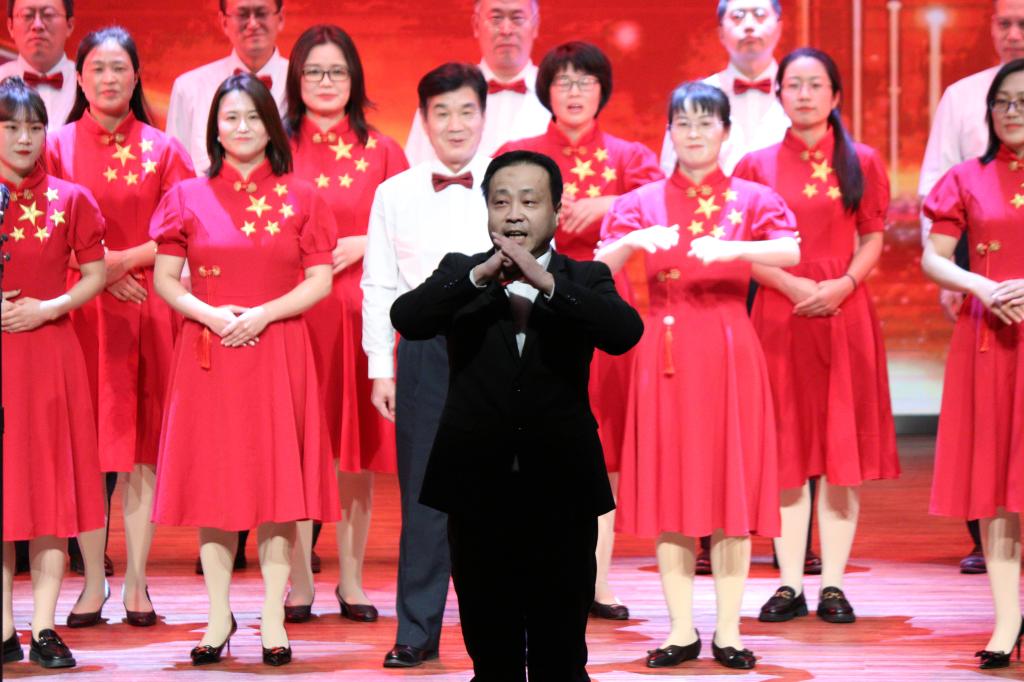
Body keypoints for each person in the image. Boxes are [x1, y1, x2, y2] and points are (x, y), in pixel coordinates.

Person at [392, 149, 643, 681]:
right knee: (493, 656)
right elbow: (408, 318)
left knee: (561, 657)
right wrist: (481, 275)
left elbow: (623, 332)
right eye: (501, 202)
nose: (514, 215)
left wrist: (547, 283)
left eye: (530, 202)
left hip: (562, 488)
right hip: (477, 488)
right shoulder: (460, 272)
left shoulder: (585, 276)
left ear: (556, 211)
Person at [599, 81, 798, 671]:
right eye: (682, 123)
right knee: (673, 491)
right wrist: (634, 240)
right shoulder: (644, 200)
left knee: (730, 491)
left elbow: (791, 250)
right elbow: (598, 263)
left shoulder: (751, 196)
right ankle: (682, 630)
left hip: (731, 351)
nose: (693, 133)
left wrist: (734, 251)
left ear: (725, 132)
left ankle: (729, 631)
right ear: (669, 133)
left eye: (705, 122)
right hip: (665, 355)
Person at [149, 73, 339, 667]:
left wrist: (262, 314)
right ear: (215, 129)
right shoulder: (187, 195)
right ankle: (217, 617)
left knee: (277, 489)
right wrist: (211, 315)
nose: (241, 127)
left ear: (271, 126)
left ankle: (274, 619)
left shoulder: (303, 196)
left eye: (253, 117)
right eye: (230, 117)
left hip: (278, 351)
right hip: (209, 354)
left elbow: (320, 280)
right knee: (215, 487)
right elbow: (164, 279)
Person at [495, 40, 662, 620]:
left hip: (600, 309)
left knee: (601, 447)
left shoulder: (628, 156)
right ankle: (524, 573)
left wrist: (608, 203)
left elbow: (661, 202)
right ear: (546, 89)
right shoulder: (519, 153)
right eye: (563, 81)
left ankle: (596, 580)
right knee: (525, 438)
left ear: (602, 91)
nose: (573, 91)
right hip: (527, 308)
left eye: (585, 81)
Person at [733, 47, 899, 626]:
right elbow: (741, 249)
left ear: (835, 95)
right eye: (793, 85)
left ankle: (832, 585)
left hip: (843, 312)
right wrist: (788, 284)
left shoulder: (863, 160)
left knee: (837, 453)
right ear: (779, 94)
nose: (803, 95)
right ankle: (787, 583)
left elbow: (873, 237)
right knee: (786, 448)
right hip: (779, 316)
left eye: (815, 85)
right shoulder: (755, 165)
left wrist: (844, 284)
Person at [46, 26, 195, 630]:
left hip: (148, 311)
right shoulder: (54, 146)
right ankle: (91, 580)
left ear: (136, 77)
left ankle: (136, 579)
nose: (108, 79)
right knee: (85, 450)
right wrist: (98, 275)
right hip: (78, 315)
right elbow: (38, 230)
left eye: (119, 68)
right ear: (80, 79)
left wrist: (117, 264)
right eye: (97, 69)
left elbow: (186, 227)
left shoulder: (165, 149)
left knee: (140, 453)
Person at [361, 62, 493, 668]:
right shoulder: (394, 193)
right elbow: (379, 283)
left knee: (501, 497)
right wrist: (379, 367)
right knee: (423, 497)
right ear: (422, 120)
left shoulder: (510, 182)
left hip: (497, 347)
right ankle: (416, 630)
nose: (455, 124)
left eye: (466, 111)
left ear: (483, 116)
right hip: (423, 351)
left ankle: (502, 626)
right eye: (442, 112)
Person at [281, 23, 408, 625]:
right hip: (293, 317)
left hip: (363, 318)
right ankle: (300, 580)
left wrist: (360, 243)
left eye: (336, 71)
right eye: (313, 72)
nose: (325, 82)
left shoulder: (382, 150)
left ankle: (352, 579)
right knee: (296, 446)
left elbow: (412, 231)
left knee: (354, 455)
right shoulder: (276, 144)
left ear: (354, 77)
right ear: (296, 80)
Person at [921, 58, 1024, 670]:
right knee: (998, 488)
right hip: (990, 337)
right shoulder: (966, 176)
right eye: (1003, 102)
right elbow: (934, 258)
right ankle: (1006, 622)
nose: (1013, 112)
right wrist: (982, 286)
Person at [1, 75, 106, 669]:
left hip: (48, 358)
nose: (24, 138)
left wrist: (49, 307)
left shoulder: (71, 199)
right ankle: (2, 629)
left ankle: (43, 627)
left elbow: (95, 273)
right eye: (11, 127)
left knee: (49, 495)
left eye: (35, 127)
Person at [403, 0, 549, 165]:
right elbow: (415, 168)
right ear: (476, 25)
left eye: (517, 18)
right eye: (496, 18)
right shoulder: (440, 93)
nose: (506, 30)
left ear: (535, 25)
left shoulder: (557, 96)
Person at [658, 0, 789, 176]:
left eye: (759, 15)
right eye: (737, 16)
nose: (749, 25)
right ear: (720, 33)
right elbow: (670, 173)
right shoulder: (692, 100)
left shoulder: (800, 95)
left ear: (779, 27)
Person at [165, 0, 288, 174]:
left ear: (280, 18)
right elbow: (175, 173)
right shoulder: (189, 88)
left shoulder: (305, 85)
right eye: (242, 14)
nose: (253, 24)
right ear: (224, 22)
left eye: (261, 13)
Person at [0, 0, 76, 132]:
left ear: (69, 25)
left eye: (48, 15)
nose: (37, 25)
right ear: (10, 26)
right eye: (27, 15)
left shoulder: (90, 84)